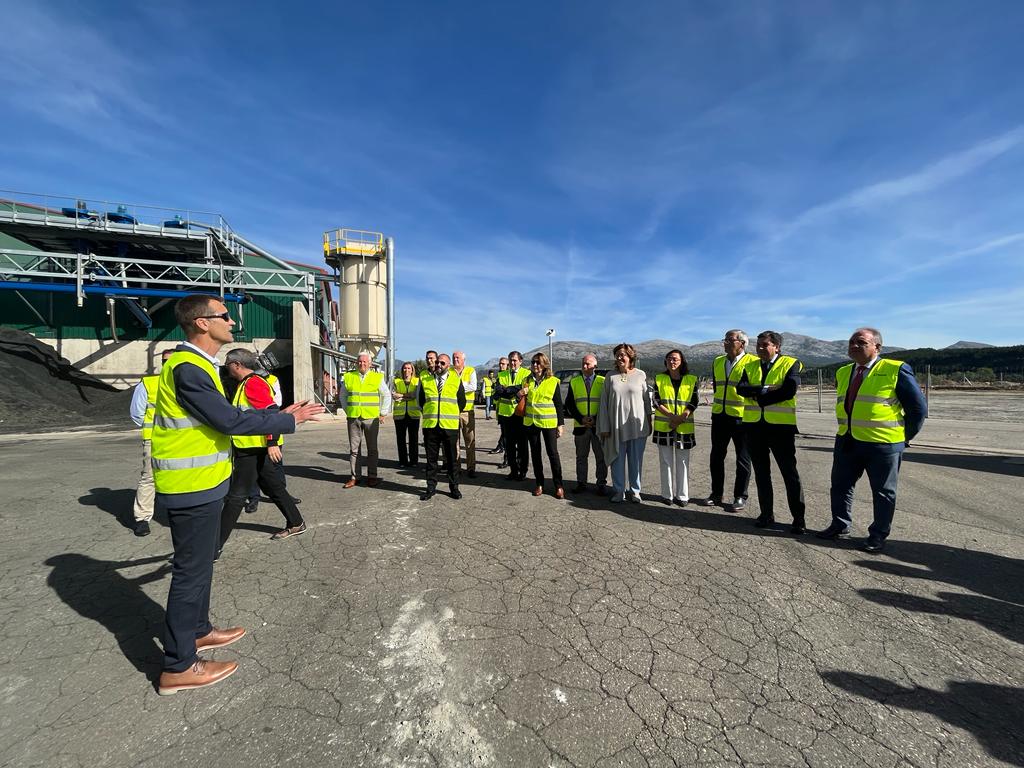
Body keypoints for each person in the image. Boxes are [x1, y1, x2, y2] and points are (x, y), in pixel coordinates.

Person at [151, 294, 322, 695]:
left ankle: (198, 631)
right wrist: (286, 419)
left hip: (205, 483)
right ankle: (178, 664)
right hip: (189, 487)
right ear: (201, 323)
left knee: (200, 568)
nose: (232, 321)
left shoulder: (201, 367)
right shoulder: (189, 368)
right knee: (190, 574)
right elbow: (229, 420)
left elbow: (234, 418)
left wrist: (280, 419)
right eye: (224, 316)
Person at [817, 327, 928, 553]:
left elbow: (918, 409)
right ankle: (839, 524)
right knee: (840, 486)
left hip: (883, 444)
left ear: (877, 347)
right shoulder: (843, 372)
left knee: (883, 492)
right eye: (851, 342)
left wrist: (905, 437)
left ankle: (878, 534)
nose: (854, 346)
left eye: (860, 342)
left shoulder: (896, 369)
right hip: (847, 440)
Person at [217, 349, 307, 556]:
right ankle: (296, 522)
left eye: (227, 363)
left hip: (255, 448)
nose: (225, 366)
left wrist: (272, 441)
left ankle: (214, 547)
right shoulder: (244, 384)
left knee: (236, 496)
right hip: (251, 447)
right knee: (272, 486)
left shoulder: (253, 383)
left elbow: (271, 412)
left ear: (237, 365)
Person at [735, 331, 806, 534]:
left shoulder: (790, 363)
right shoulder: (750, 366)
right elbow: (742, 389)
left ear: (776, 347)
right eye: (758, 345)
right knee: (762, 474)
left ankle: (798, 518)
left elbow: (789, 390)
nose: (759, 348)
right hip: (754, 427)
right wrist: (766, 389)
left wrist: (760, 395)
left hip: (780, 428)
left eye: (764, 345)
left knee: (789, 474)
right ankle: (766, 514)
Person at [698, 330, 758, 511]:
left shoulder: (753, 362)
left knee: (743, 458)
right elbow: (718, 386)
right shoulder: (718, 361)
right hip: (719, 416)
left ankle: (740, 496)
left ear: (742, 343)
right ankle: (716, 494)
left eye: (729, 340)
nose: (725, 343)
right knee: (716, 456)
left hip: (742, 417)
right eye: (724, 340)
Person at [128, 348, 175, 537]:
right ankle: (142, 518)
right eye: (165, 361)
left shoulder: (186, 383)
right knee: (149, 478)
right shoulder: (149, 384)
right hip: (155, 440)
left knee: (177, 477)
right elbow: (137, 414)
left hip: (181, 440)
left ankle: (175, 512)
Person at [598, 343, 652, 503]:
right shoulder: (610, 376)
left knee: (636, 461)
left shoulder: (641, 374)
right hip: (616, 427)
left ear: (631, 356)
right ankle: (619, 491)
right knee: (617, 461)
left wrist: (650, 421)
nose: (620, 357)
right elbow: (604, 404)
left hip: (637, 426)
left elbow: (646, 401)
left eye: (623, 354)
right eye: (618, 355)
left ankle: (635, 491)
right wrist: (604, 426)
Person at [652, 349, 699, 506]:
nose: (672, 362)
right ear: (665, 361)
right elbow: (656, 401)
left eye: (675, 359)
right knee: (665, 461)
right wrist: (672, 417)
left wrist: (681, 418)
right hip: (664, 425)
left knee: (683, 462)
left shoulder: (692, 379)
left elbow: (694, 401)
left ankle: (682, 496)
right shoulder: (659, 378)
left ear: (682, 362)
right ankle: (667, 495)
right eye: (669, 359)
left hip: (684, 427)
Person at [339, 352, 392, 488]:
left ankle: (372, 476)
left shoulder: (376, 377)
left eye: (365, 362)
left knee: (372, 449)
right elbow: (342, 396)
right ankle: (355, 477)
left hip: (371, 418)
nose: (362, 364)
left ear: (370, 363)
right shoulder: (349, 377)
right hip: (354, 417)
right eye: (360, 362)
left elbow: (386, 395)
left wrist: (383, 412)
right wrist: (348, 410)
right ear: (357, 363)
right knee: (354, 449)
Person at [418, 353, 466, 500]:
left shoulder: (456, 380)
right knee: (431, 460)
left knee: (452, 461)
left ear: (448, 365)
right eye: (437, 362)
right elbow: (420, 401)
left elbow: (461, 402)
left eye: (442, 363)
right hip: (431, 426)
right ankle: (430, 488)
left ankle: (454, 488)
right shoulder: (426, 379)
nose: (439, 365)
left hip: (449, 426)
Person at [522, 352, 566, 498]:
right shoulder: (526, 380)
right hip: (531, 422)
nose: (535, 365)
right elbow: (521, 399)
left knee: (553, 453)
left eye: (538, 362)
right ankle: (539, 484)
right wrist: (520, 393)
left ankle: (558, 485)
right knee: (535, 454)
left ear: (544, 364)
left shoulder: (553, 381)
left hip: (548, 422)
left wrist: (560, 424)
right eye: (533, 362)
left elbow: (558, 404)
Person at [563, 353, 608, 495]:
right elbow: (569, 404)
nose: (584, 366)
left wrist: (596, 418)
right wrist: (580, 418)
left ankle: (601, 484)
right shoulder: (574, 381)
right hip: (580, 426)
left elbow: (606, 404)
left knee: (601, 457)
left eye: (587, 364)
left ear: (595, 365)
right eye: (583, 363)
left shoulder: (603, 381)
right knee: (581, 457)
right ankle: (581, 483)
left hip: (598, 426)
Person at [493, 351, 531, 480]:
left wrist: (507, 389)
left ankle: (522, 471)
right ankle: (513, 471)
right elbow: (497, 391)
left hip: (520, 414)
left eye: (515, 360)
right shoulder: (502, 374)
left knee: (522, 445)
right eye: (511, 360)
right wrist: (514, 390)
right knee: (509, 445)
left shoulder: (526, 374)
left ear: (520, 361)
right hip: (506, 414)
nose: (513, 363)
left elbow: (524, 389)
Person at [452, 350, 478, 479]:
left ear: (463, 360)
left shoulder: (470, 371)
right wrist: (463, 386)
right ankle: (456, 468)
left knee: (470, 442)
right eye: (454, 357)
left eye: (457, 358)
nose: (455, 359)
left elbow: (473, 386)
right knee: (454, 442)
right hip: (453, 411)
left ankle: (471, 468)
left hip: (467, 412)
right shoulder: (450, 372)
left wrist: (456, 387)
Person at [391, 361, 421, 467]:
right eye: (405, 368)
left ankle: (414, 461)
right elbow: (394, 395)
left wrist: (401, 396)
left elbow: (415, 395)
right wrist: (407, 396)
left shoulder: (417, 381)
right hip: (399, 414)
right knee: (401, 439)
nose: (406, 370)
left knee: (413, 439)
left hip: (414, 414)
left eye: (409, 368)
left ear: (412, 370)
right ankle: (403, 461)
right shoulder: (396, 381)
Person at [490, 357, 510, 459]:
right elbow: (497, 392)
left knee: (507, 434)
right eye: (500, 364)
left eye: (503, 364)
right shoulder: (499, 377)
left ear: (508, 365)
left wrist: (501, 391)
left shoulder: (509, 377)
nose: (501, 365)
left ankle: (505, 453)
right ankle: (501, 446)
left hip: (510, 410)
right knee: (504, 432)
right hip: (500, 408)